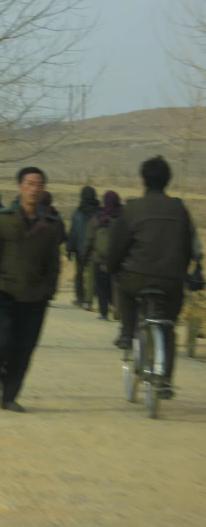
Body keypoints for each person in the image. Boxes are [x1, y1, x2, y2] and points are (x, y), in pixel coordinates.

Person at [0, 167, 61, 412]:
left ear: (43, 189)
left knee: (23, 350)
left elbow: (54, 262)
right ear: (19, 187)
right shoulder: (0, 219)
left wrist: (49, 290)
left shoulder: (50, 225)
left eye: (39, 184)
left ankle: (9, 395)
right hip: (3, 293)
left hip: (35, 298)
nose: (34, 188)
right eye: (29, 183)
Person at [108, 156, 193, 398]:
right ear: (168, 180)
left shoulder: (133, 209)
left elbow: (117, 249)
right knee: (167, 324)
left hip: (135, 278)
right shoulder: (180, 209)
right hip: (171, 282)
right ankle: (164, 379)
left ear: (143, 180)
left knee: (123, 286)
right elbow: (187, 248)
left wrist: (113, 268)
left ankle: (126, 332)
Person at [83, 190, 122, 321]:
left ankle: (104, 311)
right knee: (116, 284)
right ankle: (118, 310)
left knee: (101, 285)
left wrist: (85, 253)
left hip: (99, 257)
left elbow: (89, 238)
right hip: (118, 256)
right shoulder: (122, 217)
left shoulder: (98, 217)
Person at [67, 186, 100, 310]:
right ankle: (90, 299)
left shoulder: (77, 213)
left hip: (79, 248)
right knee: (92, 274)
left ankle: (80, 298)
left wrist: (69, 249)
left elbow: (73, 232)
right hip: (93, 248)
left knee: (79, 274)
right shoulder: (98, 212)